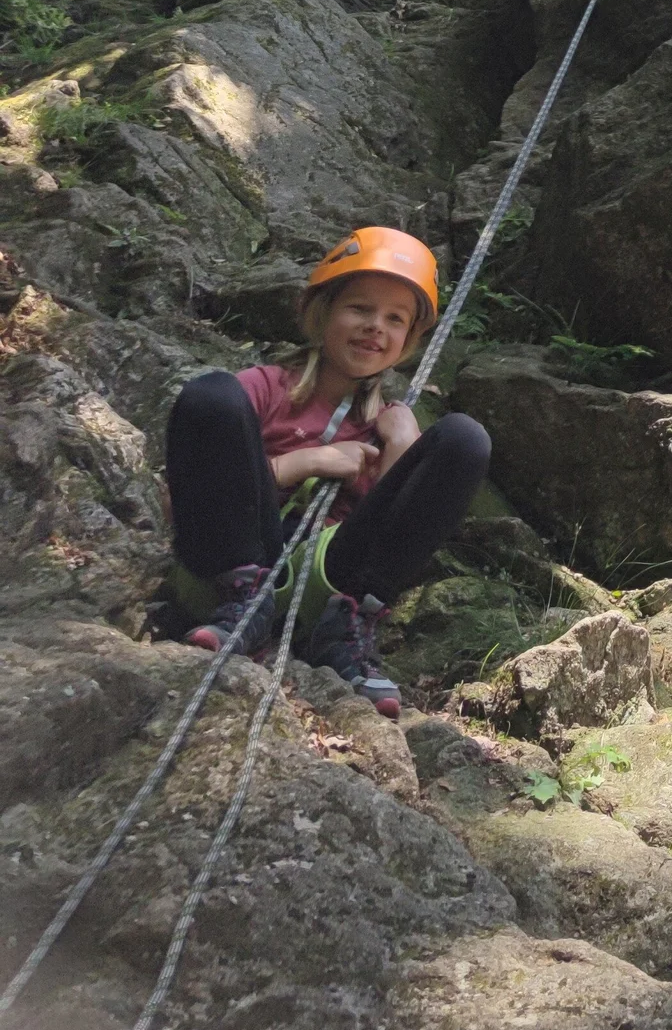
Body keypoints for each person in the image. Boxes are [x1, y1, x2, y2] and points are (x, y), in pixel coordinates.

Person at [164, 228, 489, 718]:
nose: (375, 326)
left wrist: (401, 440)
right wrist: (304, 463)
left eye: (394, 319)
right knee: (211, 393)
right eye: (360, 309)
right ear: (324, 312)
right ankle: (243, 601)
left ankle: (347, 625)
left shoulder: (390, 424)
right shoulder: (264, 388)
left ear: (406, 340)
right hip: (228, 564)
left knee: (465, 439)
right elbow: (186, 493)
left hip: (326, 581)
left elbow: (390, 526)